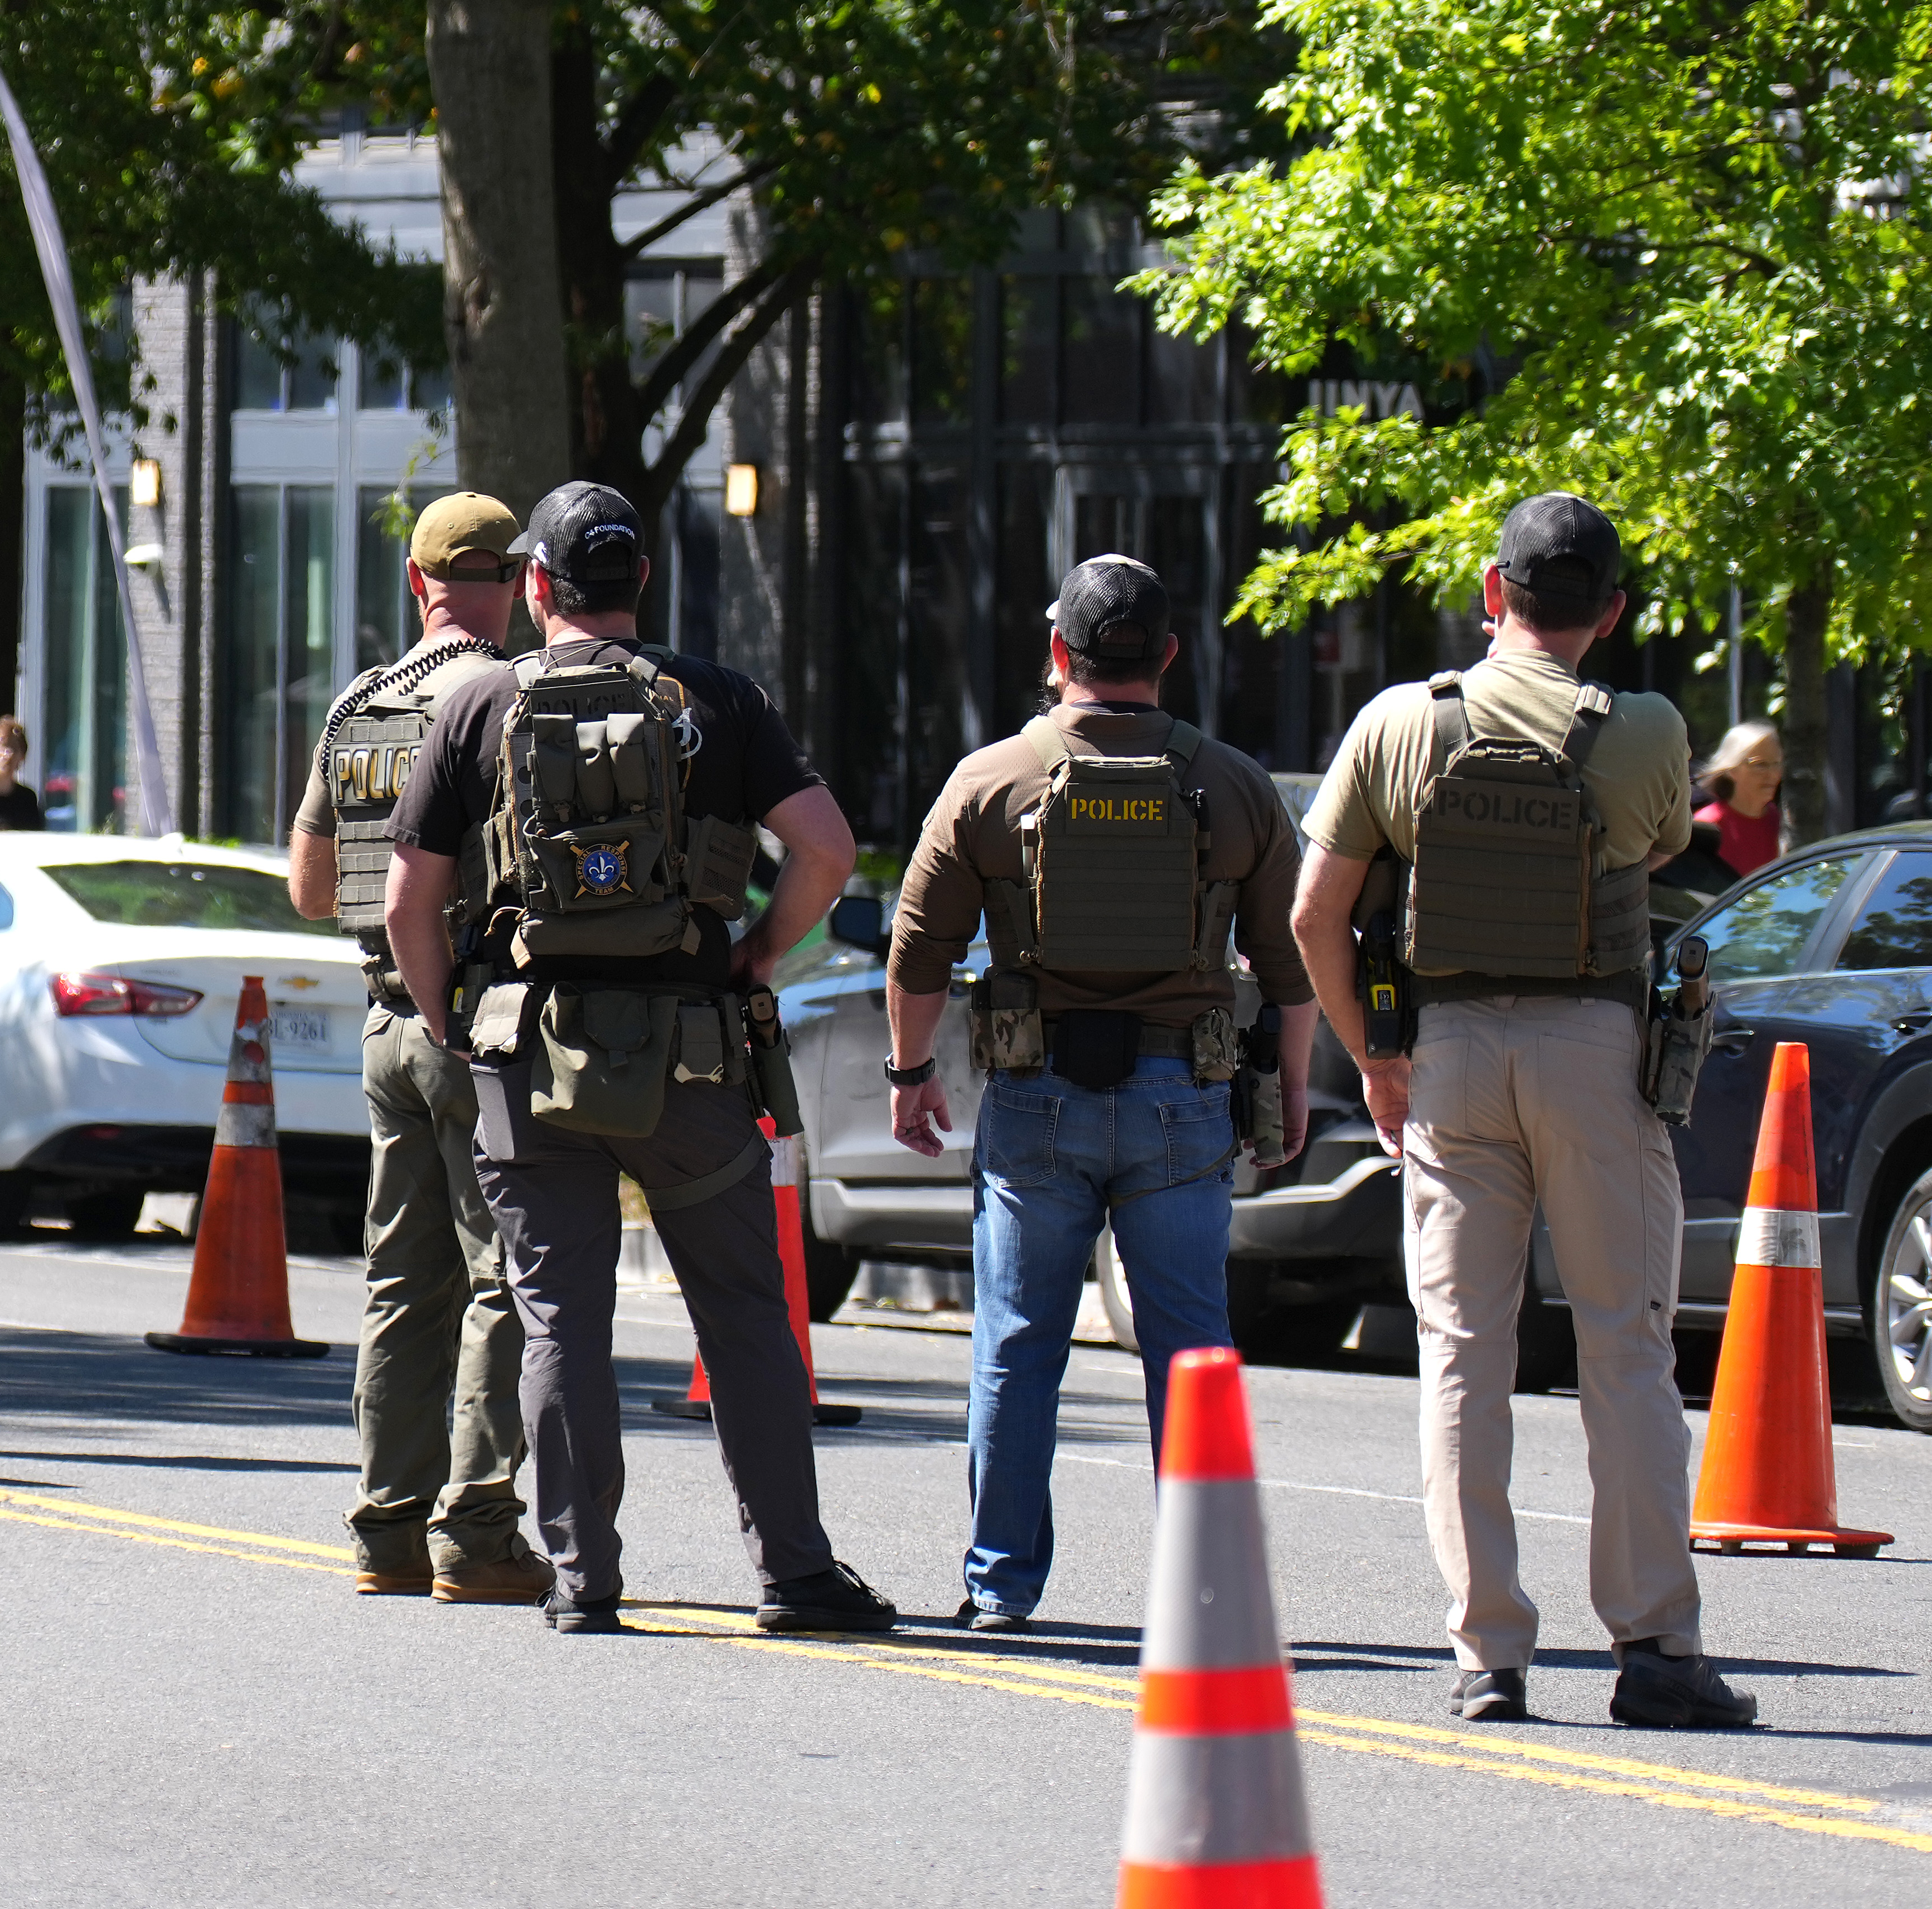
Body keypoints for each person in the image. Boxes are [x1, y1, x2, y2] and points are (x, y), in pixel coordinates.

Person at [381, 480, 895, 1636]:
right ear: (642, 584)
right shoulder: (718, 698)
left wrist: (453, 1017)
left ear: (536, 588)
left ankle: (582, 1577)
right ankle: (796, 1574)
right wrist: (757, 953)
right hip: (692, 1055)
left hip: (530, 1054)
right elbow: (824, 847)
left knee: (561, 1313)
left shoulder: (480, 707)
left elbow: (412, 901)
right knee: (743, 1314)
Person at [1289, 492, 1757, 1729]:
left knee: (1460, 1354)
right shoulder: (1648, 726)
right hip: (1598, 1053)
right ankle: (1655, 1646)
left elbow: (1311, 915)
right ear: (1609, 611)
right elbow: (1658, 853)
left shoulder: (1400, 721)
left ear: (1491, 593)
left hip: (1446, 1059)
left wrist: (1374, 1056)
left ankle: (1488, 1654)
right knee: (1625, 1346)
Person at [886, 555, 1320, 1630]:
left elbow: (915, 951)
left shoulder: (991, 779)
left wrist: (909, 1073)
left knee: (1018, 1340)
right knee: (1189, 1350)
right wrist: (1290, 1090)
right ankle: (1205, 1589)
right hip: (1183, 1095)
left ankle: (998, 1584)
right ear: (1169, 656)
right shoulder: (1232, 784)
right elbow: (1287, 963)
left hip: (1035, 1098)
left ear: (1055, 654)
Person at [288, 491, 553, 1604]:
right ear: (520, 586)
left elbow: (309, 887)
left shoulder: (360, 700)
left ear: (416, 582)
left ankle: (387, 1526)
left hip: (385, 1024)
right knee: (501, 1276)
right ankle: (478, 1530)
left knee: (401, 1281)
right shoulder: (509, 696)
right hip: (479, 1012)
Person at [1694, 719, 1783, 877]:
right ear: (1731, 770)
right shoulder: (1709, 824)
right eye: (1760, 765)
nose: (1773, 775)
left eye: (1777, 764)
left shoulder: (1776, 819)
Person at [0, 716, 45, 830]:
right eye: (2, 747)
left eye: (14, 749)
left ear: (22, 757)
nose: (7, 755)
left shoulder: (27, 799)